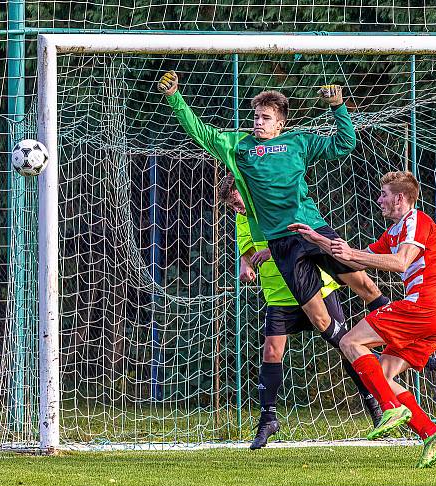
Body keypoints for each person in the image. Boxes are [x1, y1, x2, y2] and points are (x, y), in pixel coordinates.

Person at [157, 71, 388, 384]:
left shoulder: (298, 142)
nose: (258, 122)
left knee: (364, 284)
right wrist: (175, 98)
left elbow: (345, 143)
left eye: (265, 118)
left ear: (280, 124)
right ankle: (364, 363)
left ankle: (402, 335)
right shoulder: (238, 146)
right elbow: (200, 131)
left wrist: (338, 106)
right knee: (319, 322)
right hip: (282, 244)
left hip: (314, 230)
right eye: (255, 116)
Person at [290, 170, 436, 468]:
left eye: (384, 195)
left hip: (423, 308)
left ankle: (389, 407)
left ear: (400, 198)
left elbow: (400, 262)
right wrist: (317, 239)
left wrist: (350, 252)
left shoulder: (416, 221)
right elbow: (352, 259)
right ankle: (431, 433)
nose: (379, 199)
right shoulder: (393, 232)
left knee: (351, 342)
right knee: (385, 375)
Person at [219, 174, 383, 449]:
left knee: (346, 345)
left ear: (248, 191)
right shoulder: (242, 219)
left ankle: (375, 401)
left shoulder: (276, 203)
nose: (238, 209)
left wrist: (272, 253)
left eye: (238, 202)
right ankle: (267, 419)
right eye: (233, 207)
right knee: (271, 351)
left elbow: (301, 237)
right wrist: (245, 265)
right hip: (280, 294)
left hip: (316, 288)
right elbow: (247, 251)